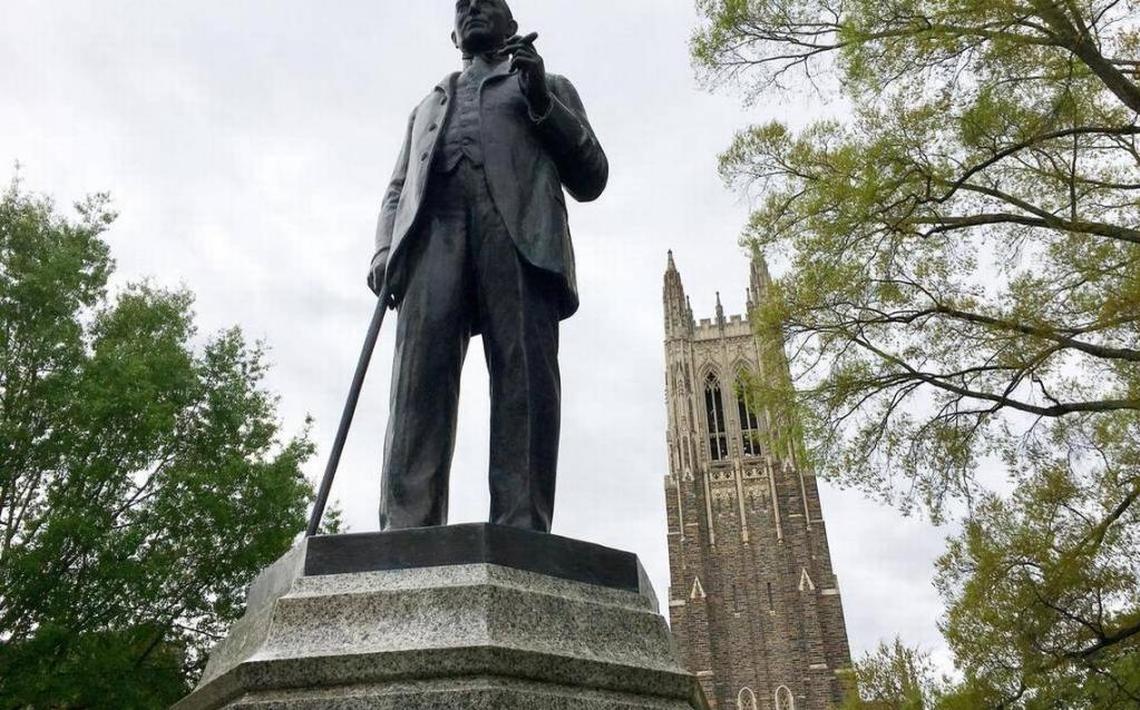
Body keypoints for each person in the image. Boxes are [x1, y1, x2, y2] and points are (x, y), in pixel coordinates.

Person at [366, 0, 607, 532]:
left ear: (512, 25)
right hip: (435, 236)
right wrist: (384, 249)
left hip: (519, 234)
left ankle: (521, 524)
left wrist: (542, 99)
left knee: (524, 378)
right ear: (453, 35)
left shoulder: (546, 84)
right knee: (417, 380)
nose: (473, 7)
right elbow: (397, 190)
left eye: (487, 1)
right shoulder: (428, 106)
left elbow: (591, 176)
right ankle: (408, 525)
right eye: (462, 6)